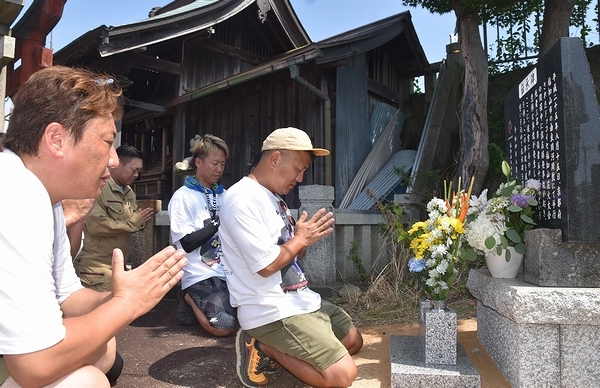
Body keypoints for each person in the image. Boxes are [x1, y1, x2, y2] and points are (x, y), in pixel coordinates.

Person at [0, 65, 187, 388]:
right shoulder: (16, 195)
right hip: (24, 359)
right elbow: (36, 362)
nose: (114, 160)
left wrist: (121, 294)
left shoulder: (47, 197)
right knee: (84, 381)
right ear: (56, 139)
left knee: (102, 345)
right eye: (107, 142)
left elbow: (68, 298)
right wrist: (126, 304)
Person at [219, 127, 363, 388]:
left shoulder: (274, 198)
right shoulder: (241, 199)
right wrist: (300, 239)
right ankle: (264, 346)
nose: (300, 178)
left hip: (299, 301)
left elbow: (291, 257)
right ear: (275, 159)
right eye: (298, 169)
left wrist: (302, 241)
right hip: (271, 310)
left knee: (354, 341)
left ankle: (285, 349)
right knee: (342, 376)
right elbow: (265, 266)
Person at [168, 135, 236, 336]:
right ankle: (188, 295)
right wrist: (216, 224)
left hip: (229, 273)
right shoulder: (183, 196)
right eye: (215, 163)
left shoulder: (225, 195)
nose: (219, 169)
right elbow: (187, 243)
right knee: (223, 327)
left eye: (222, 164)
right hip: (200, 274)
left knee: (254, 319)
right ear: (198, 162)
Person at [74, 144, 155, 292]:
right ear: (118, 163)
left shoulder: (129, 193)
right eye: (134, 169)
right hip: (96, 266)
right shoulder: (97, 187)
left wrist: (140, 221)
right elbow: (97, 225)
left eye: (139, 171)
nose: (136, 175)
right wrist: (133, 223)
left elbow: (133, 220)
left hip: (118, 266)